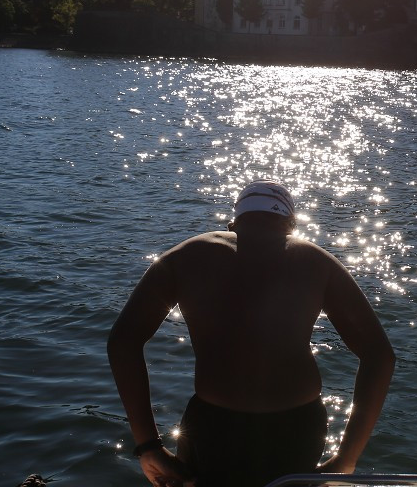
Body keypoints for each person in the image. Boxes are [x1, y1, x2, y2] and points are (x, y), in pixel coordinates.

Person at [108, 180, 395, 487]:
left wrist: (148, 445)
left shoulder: (184, 256)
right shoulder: (317, 261)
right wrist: (347, 458)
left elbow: (123, 341)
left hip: (213, 429)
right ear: (289, 224)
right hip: (297, 429)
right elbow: (380, 356)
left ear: (234, 223)